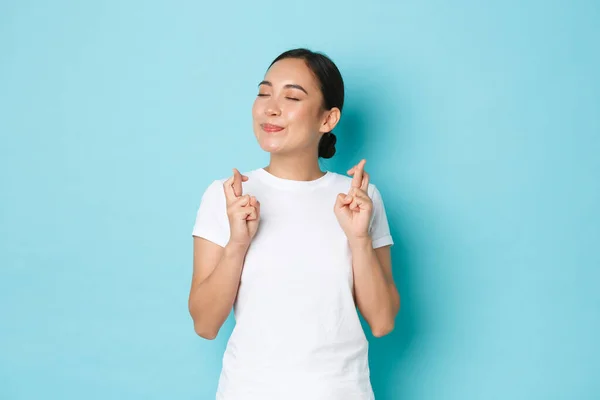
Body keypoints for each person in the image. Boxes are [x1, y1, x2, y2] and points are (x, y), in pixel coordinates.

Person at [188, 48, 400, 400]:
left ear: (328, 120)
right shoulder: (228, 196)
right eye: (263, 92)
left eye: (291, 97)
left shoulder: (359, 198)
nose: (271, 107)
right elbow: (205, 324)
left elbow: (382, 321)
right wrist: (237, 244)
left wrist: (359, 239)